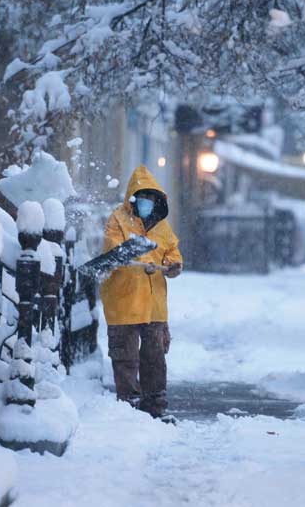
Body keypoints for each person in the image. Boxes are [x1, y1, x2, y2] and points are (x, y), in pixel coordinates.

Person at [100, 165, 183, 421]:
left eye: (152, 198)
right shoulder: (118, 220)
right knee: (125, 357)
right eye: (143, 197)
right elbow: (114, 250)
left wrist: (172, 266)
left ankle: (155, 405)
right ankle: (129, 408)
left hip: (153, 305)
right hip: (123, 301)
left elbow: (172, 252)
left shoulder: (162, 226)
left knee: (154, 358)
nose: (147, 202)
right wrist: (140, 258)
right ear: (133, 198)